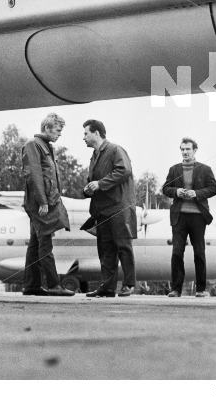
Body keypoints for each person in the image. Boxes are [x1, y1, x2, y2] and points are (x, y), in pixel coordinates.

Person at [80, 119, 137, 298]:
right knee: (105, 250)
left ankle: (128, 284)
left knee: (123, 246)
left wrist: (100, 184)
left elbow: (124, 170)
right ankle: (107, 287)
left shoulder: (115, 150)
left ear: (96, 133)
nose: (83, 138)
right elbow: (93, 181)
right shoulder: (94, 156)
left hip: (119, 207)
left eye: (86, 133)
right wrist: (88, 188)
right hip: (102, 210)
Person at [20, 113, 74, 296]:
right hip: (40, 204)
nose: (60, 134)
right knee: (45, 243)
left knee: (36, 244)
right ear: (47, 128)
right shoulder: (33, 145)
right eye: (58, 130)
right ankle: (53, 285)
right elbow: (33, 174)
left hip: (45, 202)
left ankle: (31, 285)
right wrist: (42, 201)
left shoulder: (45, 147)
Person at [161, 137, 216, 297]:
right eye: (182, 149)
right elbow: (165, 188)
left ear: (194, 151)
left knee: (199, 253)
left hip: (198, 217)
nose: (185, 152)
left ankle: (200, 290)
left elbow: (214, 188)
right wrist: (176, 191)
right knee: (177, 252)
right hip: (179, 217)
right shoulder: (174, 169)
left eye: (188, 149)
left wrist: (197, 193)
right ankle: (176, 289)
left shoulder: (205, 169)